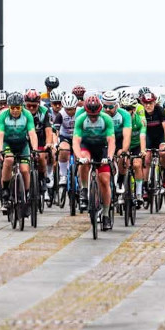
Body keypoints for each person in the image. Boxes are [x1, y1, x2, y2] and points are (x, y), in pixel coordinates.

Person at [73, 95, 116, 229]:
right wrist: (79, 157)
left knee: (104, 180)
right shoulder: (80, 119)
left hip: (101, 148)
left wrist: (109, 157)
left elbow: (111, 141)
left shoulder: (106, 119)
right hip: (87, 146)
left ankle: (106, 214)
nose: (93, 118)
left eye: (95, 115)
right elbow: (75, 141)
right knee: (84, 159)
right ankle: (84, 189)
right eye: (90, 115)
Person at [0, 92, 38, 215]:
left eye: (17, 108)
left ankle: (27, 193)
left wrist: (34, 149)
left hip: (22, 144)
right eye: (12, 108)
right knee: (8, 160)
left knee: (25, 170)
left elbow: (32, 133)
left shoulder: (27, 115)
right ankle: (5, 192)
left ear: (21, 107)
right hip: (8, 144)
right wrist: (0, 150)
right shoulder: (3, 115)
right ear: (8, 107)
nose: (14, 110)